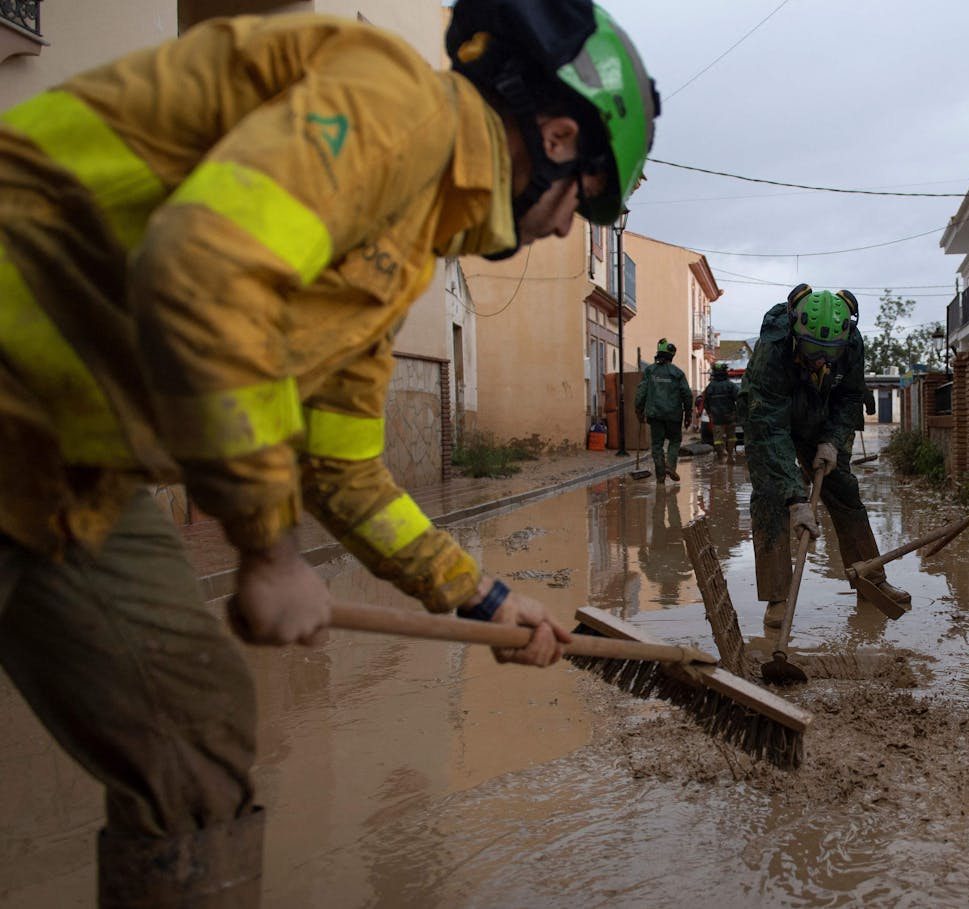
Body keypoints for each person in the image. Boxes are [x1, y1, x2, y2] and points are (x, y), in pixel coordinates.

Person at [0, 0, 658, 901]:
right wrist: (266, 549)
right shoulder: (392, 108)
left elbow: (346, 472)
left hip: (56, 468)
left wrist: (481, 598)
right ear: (551, 136)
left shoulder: (405, 243)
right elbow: (203, 266)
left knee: (198, 737)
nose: (559, 229)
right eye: (583, 199)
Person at [743, 284, 910, 632]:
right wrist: (795, 498)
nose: (820, 362)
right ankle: (777, 598)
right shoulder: (772, 349)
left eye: (827, 356)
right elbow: (771, 430)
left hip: (821, 418)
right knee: (771, 498)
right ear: (795, 333)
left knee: (845, 493)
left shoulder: (851, 342)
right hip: (770, 417)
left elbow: (850, 396)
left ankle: (871, 580)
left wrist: (832, 442)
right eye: (812, 354)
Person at [635, 338, 692, 484]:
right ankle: (671, 466)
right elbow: (687, 394)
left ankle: (660, 475)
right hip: (674, 415)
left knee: (657, 444)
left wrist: (638, 409)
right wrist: (688, 414)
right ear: (671, 356)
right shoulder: (678, 373)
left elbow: (641, 392)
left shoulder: (649, 371)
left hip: (655, 415)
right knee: (674, 440)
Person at [698, 361, 741, 460]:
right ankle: (730, 456)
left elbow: (705, 402)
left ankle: (721, 457)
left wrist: (710, 413)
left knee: (717, 439)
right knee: (731, 436)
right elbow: (738, 399)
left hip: (716, 417)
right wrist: (736, 412)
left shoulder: (710, 387)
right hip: (730, 416)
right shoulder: (731, 385)